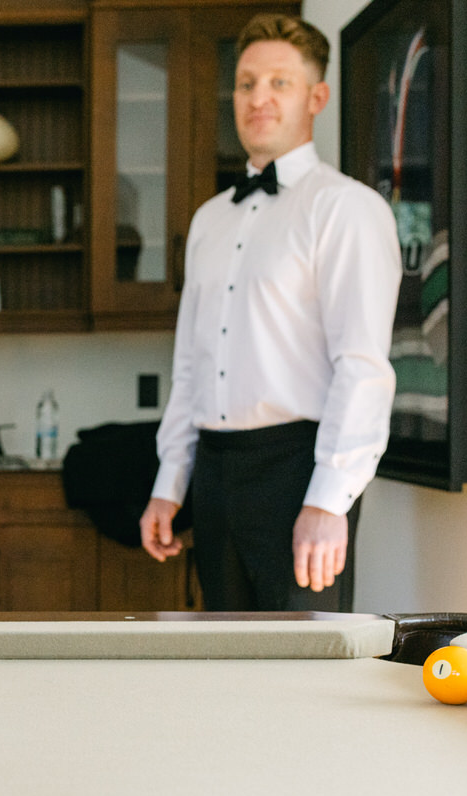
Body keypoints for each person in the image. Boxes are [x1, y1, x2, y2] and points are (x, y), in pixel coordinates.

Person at [139, 14, 401, 612]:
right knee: (225, 665)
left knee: (303, 673)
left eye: (279, 83)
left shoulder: (346, 210)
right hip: (214, 472)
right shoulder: (209, 221)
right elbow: (190, 368)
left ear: (316, 96)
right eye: (246, 83)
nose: (258, 98)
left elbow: (362, 368)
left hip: (298, 470)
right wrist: (168, 485)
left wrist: (328, 502)